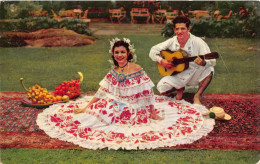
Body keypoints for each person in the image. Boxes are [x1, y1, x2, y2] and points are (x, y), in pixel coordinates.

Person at [37, 38, 214, 150]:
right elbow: (102, 90)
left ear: (128, 54)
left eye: (122, 52)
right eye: (117, 53)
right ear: (113, 55)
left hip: (135, 106)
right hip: (117, 101)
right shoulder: (114, 70)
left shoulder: (137, 69)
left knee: (114, 111)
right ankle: (94, 110)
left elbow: (147, 93)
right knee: (100, 107)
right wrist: (87, 106)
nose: (120, 55)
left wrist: (152, 111)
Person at [149, 15, 216, 105]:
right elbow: (153, 50)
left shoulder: (198, 41)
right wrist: (162, 61)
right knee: (161, 87)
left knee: (210, 70)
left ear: (188, 29)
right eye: (177, 29)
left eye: (183, 29)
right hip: (178, 75)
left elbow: (211, 61)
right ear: (174, 30)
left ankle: (197, 95)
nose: (179, 32)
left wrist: (203, 62)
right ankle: (180, 88)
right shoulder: (172, 41)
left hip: (194, 73)